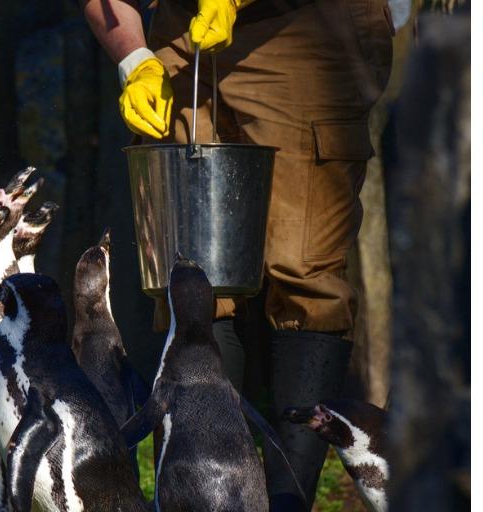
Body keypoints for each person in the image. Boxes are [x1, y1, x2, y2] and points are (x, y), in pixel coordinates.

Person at [81, 0, 392, 509]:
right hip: (181, 32)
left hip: (302, 28)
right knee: (190, 277)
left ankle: (288, 500)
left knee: (303, 270)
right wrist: (134, 59)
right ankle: (204, 499)